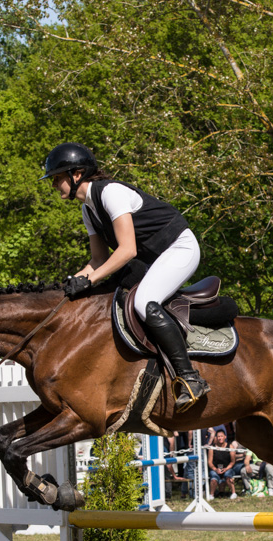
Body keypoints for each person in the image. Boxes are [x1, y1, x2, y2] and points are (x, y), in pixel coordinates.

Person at [42, 142, 209, 412]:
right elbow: (97, 260)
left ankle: (191, 378)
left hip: (179, 247)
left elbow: (127, 249)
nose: (53, 184)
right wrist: (71, 282)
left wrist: (91, 279)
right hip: (153, 258)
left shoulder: (112, 193)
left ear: (77, 174)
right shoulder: (88, 210)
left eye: (57, 178)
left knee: (143, 302)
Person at [207, 429, 239, 499]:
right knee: (213, 478)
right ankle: (211, 495)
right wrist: (216, 469)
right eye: (218, 436)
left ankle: (234, 493)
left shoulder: (230, 446)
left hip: (228, 468)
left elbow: (233, 462)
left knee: (228, 476)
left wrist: (226, 469)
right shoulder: (212, 448)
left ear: (225, 437)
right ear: (216, 438)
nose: (220, 438)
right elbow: (209, 462)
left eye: (221, 436)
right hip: (215, 468)